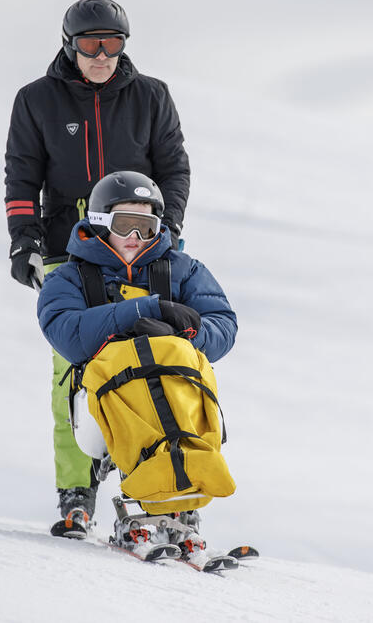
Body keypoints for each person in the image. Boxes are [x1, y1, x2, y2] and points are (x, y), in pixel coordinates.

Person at [2, 0, 192, 517]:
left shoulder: (151, 97)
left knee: (154, 363)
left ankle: (161, 487)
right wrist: (25, 238)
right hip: (71, 250)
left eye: (113, 44)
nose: (102, 55)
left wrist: (168, 227)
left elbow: (173, 168)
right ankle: (76, 490)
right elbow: (22, 174)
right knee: (72, 372)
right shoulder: (37, 100)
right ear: (71, 46)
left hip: (140, 249)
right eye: (91, 44)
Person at [37, 171, 236, 537]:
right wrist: (147, 311)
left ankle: (184, 496)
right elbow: (68, 333)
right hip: (108, 398)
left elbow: (223, 324)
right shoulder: (70, 278)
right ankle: (134, 494)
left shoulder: (182, 268)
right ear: (99, 222)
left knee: (181, 368)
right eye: (125, 225)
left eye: (146, 227)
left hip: (174, 386)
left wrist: (188, 332)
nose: (135, 237)